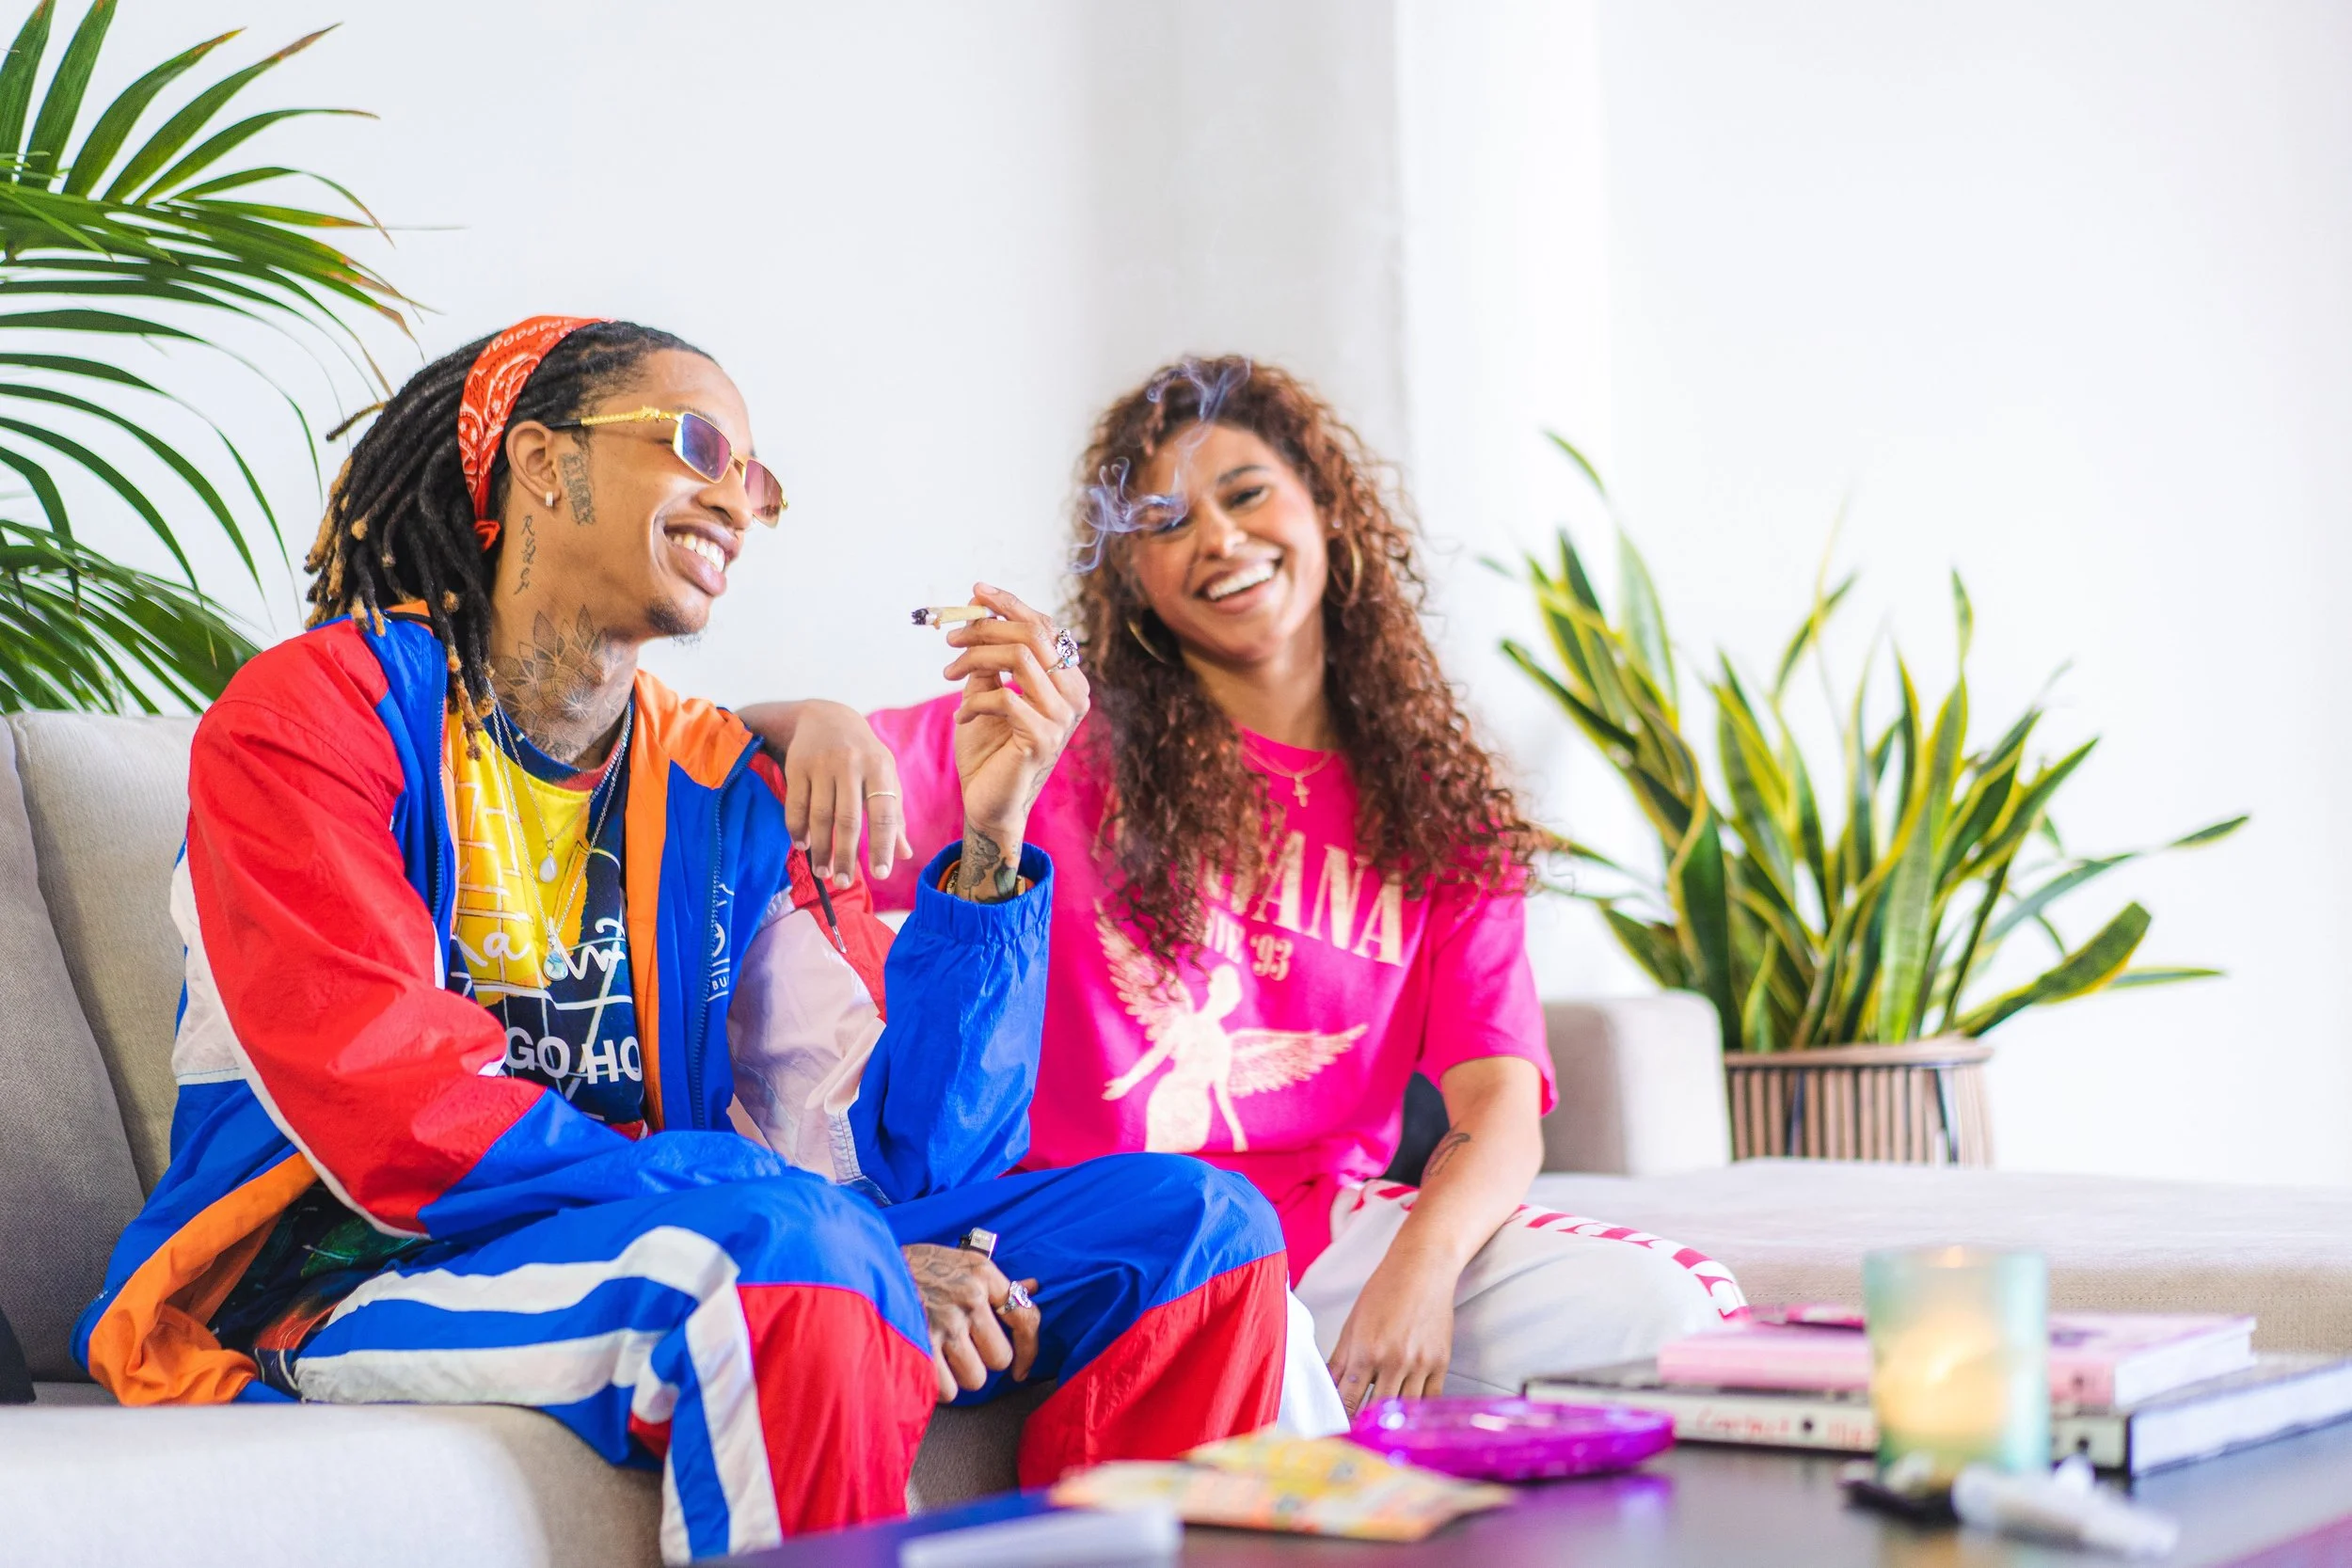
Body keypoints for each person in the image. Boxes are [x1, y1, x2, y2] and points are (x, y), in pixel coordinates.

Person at [73, 320, 1291, 1562]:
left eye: (759, 481)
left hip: (655, 1225)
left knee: (1197, 1231)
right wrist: (848, 1238)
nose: (738, 501)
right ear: (542, 463)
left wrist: (992, 836)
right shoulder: (319, 715)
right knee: (799, 1257)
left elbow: (915, 1160)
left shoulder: (715, 780)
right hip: (346, 1269)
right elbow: (395, 1113)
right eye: (700, 445)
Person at [743, 356, 1746, 1418]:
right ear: (1133, 576)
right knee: (1264, 1343)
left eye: (1248, 492)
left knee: (1665, 1313)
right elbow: (752, 764)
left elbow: (1495, 1096)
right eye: (1168, 521)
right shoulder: (1058, 745)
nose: (1219, 536)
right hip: (1106, 1233)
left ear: (1326, 505)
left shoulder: (1442, 811)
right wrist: (820, 717)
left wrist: (1422, 1264)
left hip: (1328, 1232)